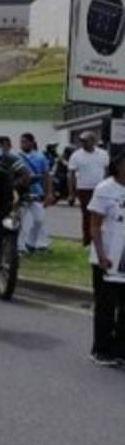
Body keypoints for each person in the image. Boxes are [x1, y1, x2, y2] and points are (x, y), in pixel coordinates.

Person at [85, 151, 125, 366]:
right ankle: (101, 349)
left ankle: (120, 349)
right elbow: (94, 226)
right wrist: (101, 254)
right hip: (108, 257)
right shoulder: (105, 189)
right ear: (117, 164)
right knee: (106, 306)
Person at [68, 131, 109, 247]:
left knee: (101, 214)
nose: (83, 143)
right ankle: (87, 241)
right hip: (84, 188)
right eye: (81, 141)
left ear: (93, 141)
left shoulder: (103, 154)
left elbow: (106, 172)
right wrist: (71, 193)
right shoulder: (76, 155)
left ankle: (100, 239)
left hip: (100, 189)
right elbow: (71, 175)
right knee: (87, 215)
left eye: (85, 141)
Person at [16, 133, 53, 253]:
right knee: (19, 221)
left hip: (37, 193)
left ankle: (31, 243)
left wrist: (48, 193)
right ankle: (19, 247)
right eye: (21, 142)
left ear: (32, 142)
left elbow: (46, 176)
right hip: (21, 193)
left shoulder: (40, 157)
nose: (23, 144)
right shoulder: (17, 157)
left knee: (39, 220)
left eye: (25, 141)